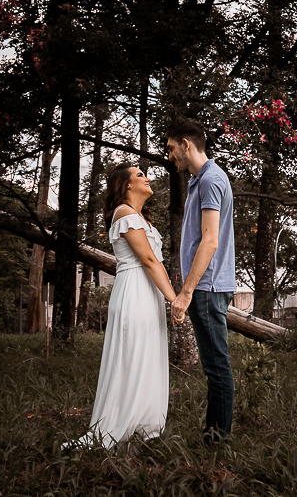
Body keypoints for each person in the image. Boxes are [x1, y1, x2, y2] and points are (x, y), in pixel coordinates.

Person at [63, 161, 177, 451]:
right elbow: (149, 261)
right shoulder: (124, 213)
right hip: (135, 291)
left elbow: (157, 263)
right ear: (126, 185)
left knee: (148, 355)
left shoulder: (141, 217)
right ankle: (121, 422)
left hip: (148, 292)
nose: (148, 178)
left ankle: (145, 425)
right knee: (132, 356)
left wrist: (166, 297)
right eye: (140, 175)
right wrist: (175, 300)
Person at [167, 121, 236, 443]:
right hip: (207, 286)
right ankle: (214, 435)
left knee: (216, 367)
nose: (170, 157)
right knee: (214, 366)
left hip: (207, 288)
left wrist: (185, 293)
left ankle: (216, 441)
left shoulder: (210, 180)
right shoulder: (200, 180)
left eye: (171, 149)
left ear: (186, 144)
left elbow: (210, 241)